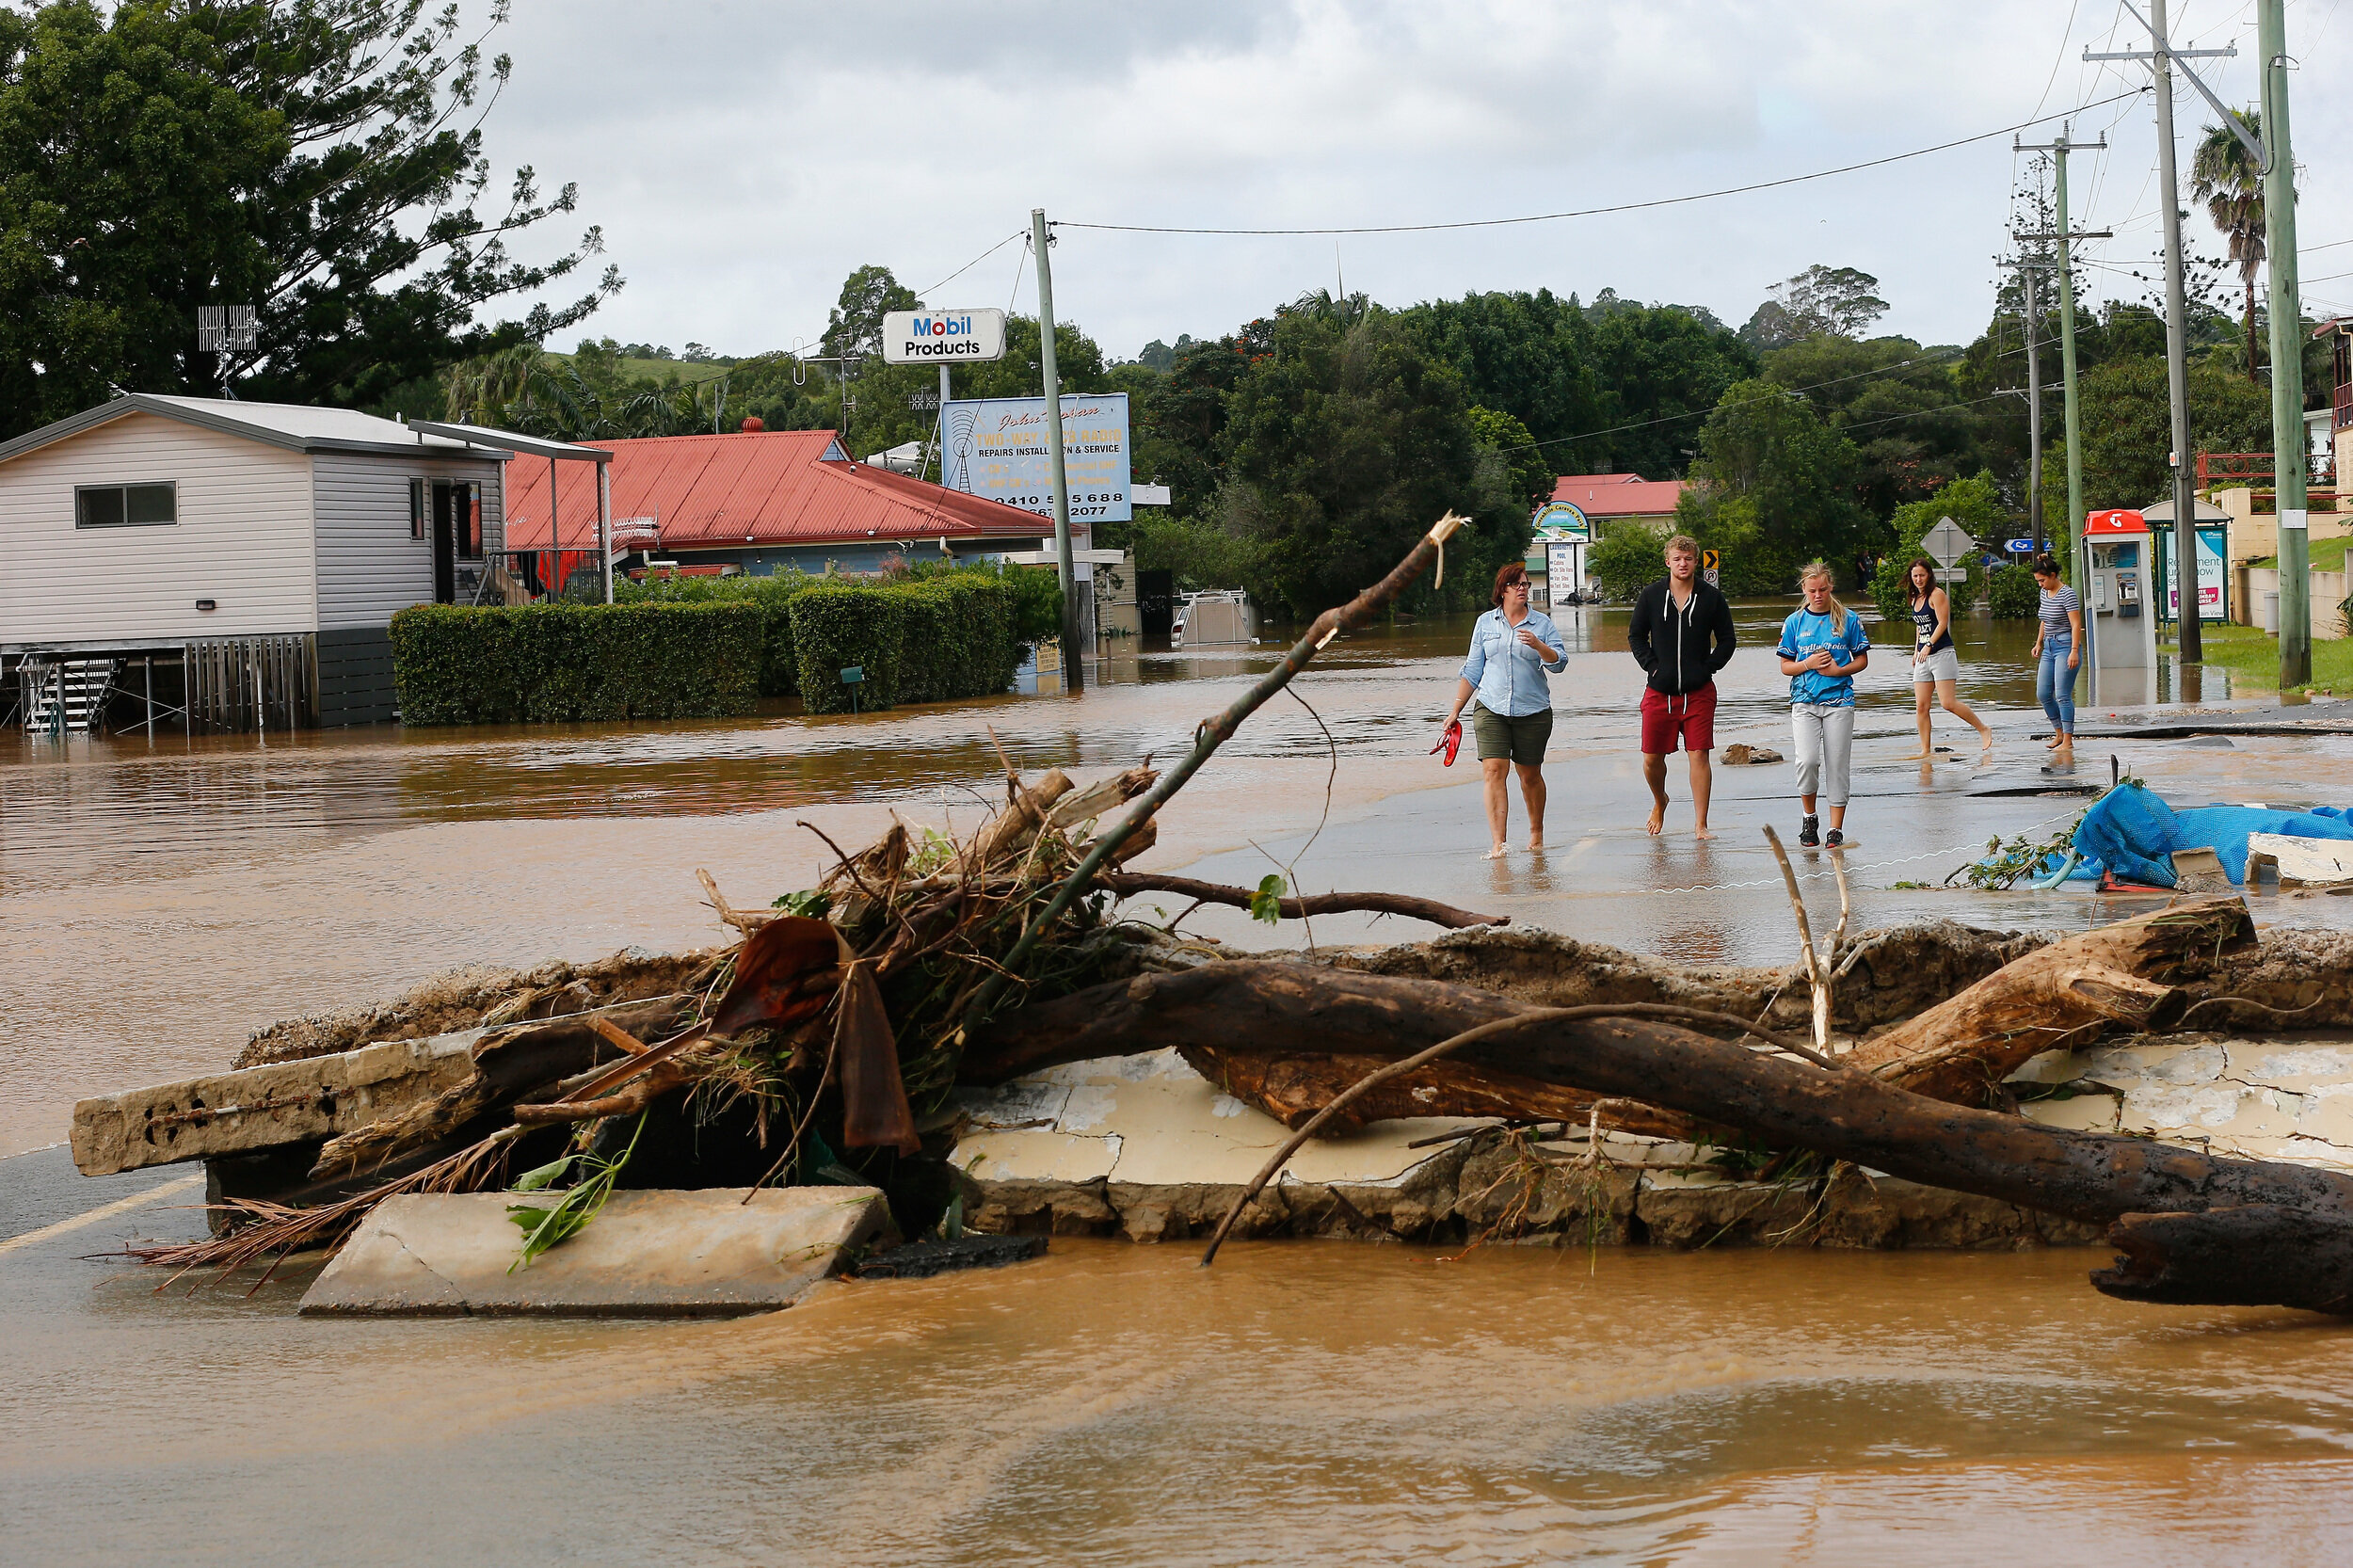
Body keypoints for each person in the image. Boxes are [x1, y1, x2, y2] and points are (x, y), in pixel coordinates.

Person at [1444, 561, 1568, 858]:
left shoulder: (1542, 624)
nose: (1523, 589)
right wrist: (1455, 711)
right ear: (1503, 590)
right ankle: (1499, 843)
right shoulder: (1485, 623)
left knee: (1529, 775)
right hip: (1491, 708)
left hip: (1533, 711)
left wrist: (1539, 646)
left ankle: (1536, 834)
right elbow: (1473, 669)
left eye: (1526, 584)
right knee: (1494, 770)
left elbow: (1560, 663)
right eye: (1518, 584)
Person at [1627, 534, 1737, 839]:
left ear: (1696, 561)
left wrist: (1708, 668)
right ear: (1668, 562)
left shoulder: (1711, 597)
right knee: (1651, 758)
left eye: (1688, 558)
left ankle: (1701, 825)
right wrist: (1652, 666)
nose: (1683, 563)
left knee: (1699, 754)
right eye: (1677, 558)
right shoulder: (1651, 596)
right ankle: (1660, 800)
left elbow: (1728, 639)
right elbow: (1636, 636)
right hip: (1659, 691)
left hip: (1699, 692)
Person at [1775, 560, 1872, 848]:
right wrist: (1808, 663)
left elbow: (1862, 659)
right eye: (1812, 590)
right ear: (1804, 589)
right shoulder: (1794, 622)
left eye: (1823, 589)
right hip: (1804, 701)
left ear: (1831, 587)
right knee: (1807, 760)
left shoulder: (1848, 619)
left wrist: (1837, 671)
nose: (1818, 595)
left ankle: (1835, 829)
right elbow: (1785, 666)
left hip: (1839, 701)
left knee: (1838, 765)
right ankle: (1809, 817)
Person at [1902, 556, 1994, 762]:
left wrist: (1928, 645)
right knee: (1921, 706)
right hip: (1923, 656)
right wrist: (1916, 649)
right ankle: (1925, 749)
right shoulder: (1914, 598)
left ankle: (1983, 728)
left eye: (1922, 575)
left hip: (1942, 653)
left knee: (1947, 702)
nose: (1918, 579)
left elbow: (1942, 623)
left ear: (1929, 575)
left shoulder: (1937, 594)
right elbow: (1920, 626)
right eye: (1915, 576)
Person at [2030, 552, 2083, 760]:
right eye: (2038, 581)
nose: (2040, 585)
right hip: (2049, 646)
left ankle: (2068, 740)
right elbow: (2044, 619)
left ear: (2053, 575)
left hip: (2065, 646)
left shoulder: (2067, 594)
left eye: (2042, 580)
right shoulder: (2045, 593)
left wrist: (2074, 650)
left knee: (2062, 695)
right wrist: (2038, 642)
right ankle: (2058, 733)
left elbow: (2076, 624)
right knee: (2043, 693)